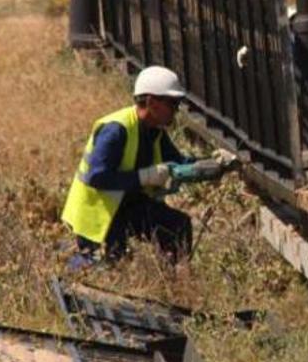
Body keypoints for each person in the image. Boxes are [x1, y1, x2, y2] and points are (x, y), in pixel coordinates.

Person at [61, 66, 235, 270]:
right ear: (151, 102)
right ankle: (65, 264)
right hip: (97, 216)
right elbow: (97, 177)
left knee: (176, 226)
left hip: (127, 206)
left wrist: (215, 165)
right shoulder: (116, 131)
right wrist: (144, 177)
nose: (176, 110)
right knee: (108, 267)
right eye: (172, 104)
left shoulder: (154, 131)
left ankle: (176, 285)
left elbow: (180, 163)